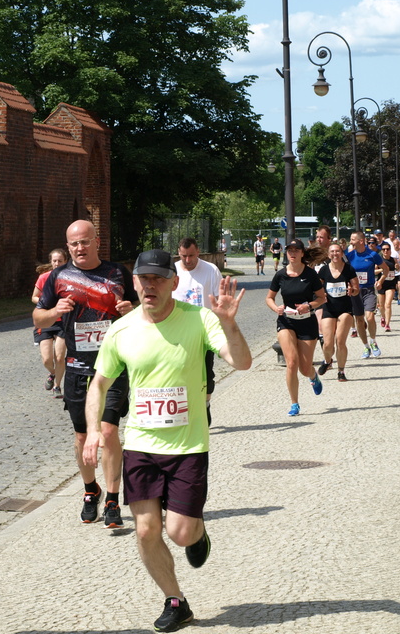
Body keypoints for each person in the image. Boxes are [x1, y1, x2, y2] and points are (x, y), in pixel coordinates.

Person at [82, 250, 251, 633]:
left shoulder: (199, 319)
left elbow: (240, 363)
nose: (150, 286)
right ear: (136, 282)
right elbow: (100, 383)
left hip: (188, 446)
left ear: (174, 283)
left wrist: (229, 325)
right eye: (144, 279)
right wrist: (94, 430)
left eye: (158, 278)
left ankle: (197, 532)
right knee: (145, 530)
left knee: (180, 532)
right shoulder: (122, 329)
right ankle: (175, 601)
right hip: (141, 444)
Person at [33, 220, 137, 527]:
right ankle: (90, 489)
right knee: (82, 435)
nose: (80, 248)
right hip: (78, 368)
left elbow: (139, 307)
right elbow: (38, 314)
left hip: (113, 364)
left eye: (85, 242)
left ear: (96, 241)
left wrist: (130, 311)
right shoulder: (58, 277)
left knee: (107, 431)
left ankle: (113, 499)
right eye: (74, 244)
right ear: (68, 247)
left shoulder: (117, 273)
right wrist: (54, 313)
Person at [266, 239, 327, 416]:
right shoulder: (280, 275)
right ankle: (294, 403)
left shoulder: (310, 275)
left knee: (304, 367)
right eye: (289, 251)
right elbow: (269, 298)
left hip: (307, 322)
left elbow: (322, 298)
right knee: (291, 362)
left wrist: (308, 306)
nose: (292, 253)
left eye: (295, 250)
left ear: (302, 253)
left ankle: (313, 376)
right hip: (286, 321)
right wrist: (276, 308)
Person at [172, 237, 223, 425]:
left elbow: (219, 300)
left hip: (204, 331)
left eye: (191, 256)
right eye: (184, 256)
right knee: (179, 372)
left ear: (198, 252)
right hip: (177, 331)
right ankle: (184, 411)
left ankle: (206, 403)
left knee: (206, 373)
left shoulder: (210, 270)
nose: (187, 260)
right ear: (179, 253)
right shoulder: (172, 271)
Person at [316, 242, 359, 381]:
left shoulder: (349, 269)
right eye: (332, 252)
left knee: (340, 341)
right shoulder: (323, 270)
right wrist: (321, 294)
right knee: (327, 343)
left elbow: (356, 288)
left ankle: (341, 371)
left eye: (338, 251)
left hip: (345, 309)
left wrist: (352, 290)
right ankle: (328, 361)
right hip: (328, 309)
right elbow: (316, 288)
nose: (335, 254)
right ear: (328, 254)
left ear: (342, 253)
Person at [345, 232, 390, 359]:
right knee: (359, 320)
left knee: (370, 317)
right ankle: (365, 346)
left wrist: (380, 280)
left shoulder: (373, 254)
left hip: (369, 290)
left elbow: (385, 269)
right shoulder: (349, 256)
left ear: (361, 241)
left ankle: (373, 341)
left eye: (353, 239)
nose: (350, 241)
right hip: (355, 292)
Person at [31, 249, 69, 398]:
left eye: (60, 261)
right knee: (47, 359)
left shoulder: (70, 278)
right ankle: (53, 373)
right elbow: (34, 297)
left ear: (65, 262)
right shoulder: (44, 277)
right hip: (46, 320)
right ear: (51, 262)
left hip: (63, 321)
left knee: (59, 357)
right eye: (54, 261)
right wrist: (47, 303)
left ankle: (57, 386)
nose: (57, 263)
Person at [376, 242, 400, 332]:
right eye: (384, 249)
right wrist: (382, 270)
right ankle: (383, 317)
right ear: (382, 251)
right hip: (381, 284)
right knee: (381, 306)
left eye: (387, 249)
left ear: (390, 250)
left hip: (391, 284)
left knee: (388, 304)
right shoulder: (379, 260)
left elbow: (398, 269)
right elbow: (374, 272)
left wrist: (397, 267)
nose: (386, 251)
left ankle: (387, 324)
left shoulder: (393, 260)